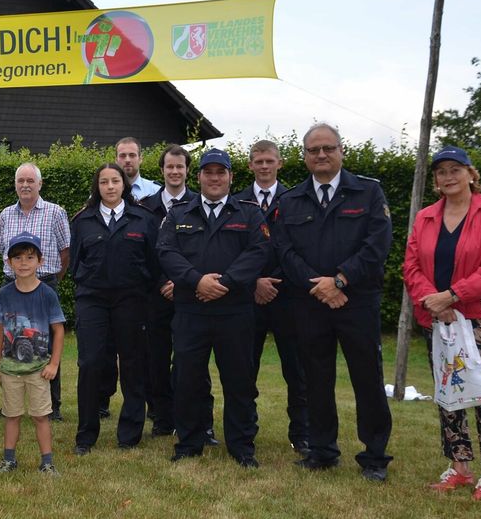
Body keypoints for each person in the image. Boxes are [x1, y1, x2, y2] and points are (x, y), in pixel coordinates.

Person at [272, 122, 393, 481]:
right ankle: (322, 450)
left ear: (342, 151)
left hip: (356, 301)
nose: (321, 155)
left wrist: (339, 280)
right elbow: (284, 249)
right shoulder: (291, 200)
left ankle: (374, 456)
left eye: (328, 148)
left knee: (367, 377)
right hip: (310, 303)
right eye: (314, 150)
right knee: (315, 378)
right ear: (305, 156)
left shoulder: (368, 193)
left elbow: (377, 246)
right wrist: (319, 285)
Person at [403, 146, 481, 500]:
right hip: (436, 317)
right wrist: (433, 302)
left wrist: (451, 296)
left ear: (471, 173)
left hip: (480, 315)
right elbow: (412, 266)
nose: (448, 176)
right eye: (441, 171)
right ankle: (459, 466)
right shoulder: (426, 217)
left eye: (455, 169)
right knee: (448, 391)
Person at [157, 148, 270, 466]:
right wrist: (196, 281)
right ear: (200, 177)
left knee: (239, 381)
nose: (215, 178)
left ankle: (241, 445)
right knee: (188, 379)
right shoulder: (179, 213)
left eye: (221, 172)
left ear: (231, 177)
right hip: (191, 311)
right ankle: (190, 441)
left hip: (234, 312)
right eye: (209, 172)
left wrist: (225, 283)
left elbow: (259, 251)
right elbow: (165, 252)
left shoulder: (248, 213)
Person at [70, 163, 158, 455]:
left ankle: (130, 434)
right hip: (93, 301)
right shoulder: (83, 221)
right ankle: (86, 434)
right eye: (104, 182)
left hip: (131, 302)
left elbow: (153, 263)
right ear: (97, 186)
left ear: (124, 185)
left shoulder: (143, 219)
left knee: (133, 364)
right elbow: (75, 266)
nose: (110, 186)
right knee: (91, 363)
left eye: (115, 181)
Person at [234, 140, 309, 457]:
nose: (263, 166)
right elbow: (234, 249)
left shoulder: (295, 200)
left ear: (280, 163)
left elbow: (298, 247)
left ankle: (302, 435)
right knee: (243, 370)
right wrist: (253, 281)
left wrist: (273, 280)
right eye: (257, 161)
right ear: (249, 165)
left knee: (296, 370)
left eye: (269, 161)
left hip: (287, 295)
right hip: (247, 297)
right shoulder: (237, 202)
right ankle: (244, 432)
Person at [140, 144, 216, 445]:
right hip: (157, 294)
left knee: (195, 363)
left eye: (180, 167)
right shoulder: (146, 207)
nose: (174, 171)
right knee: (156, 359)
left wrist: (184, 282)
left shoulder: (202, 204)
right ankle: (162, 418)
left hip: (192, 294)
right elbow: (145, 253)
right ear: (162, 171)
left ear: (188, 171)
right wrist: (163, 282)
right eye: (169, 167)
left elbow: (207, 252)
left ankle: (203, 421)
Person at [0, 163, 70, 421]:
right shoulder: (5, 214)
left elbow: (65, 251)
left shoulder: (55, 212)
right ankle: (9, 402)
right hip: (12, 286)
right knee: (10, 342)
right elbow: (1, 252)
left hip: (44, 284)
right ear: (15, 184)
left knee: (46, 343)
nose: (25, 185)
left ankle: (54, 406)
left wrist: (49, 281)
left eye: (30, 180)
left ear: (40, 184)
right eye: (20, 181)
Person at [0, 233, 65, 475]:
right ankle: (9, 460)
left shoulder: (47, 294)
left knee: (41, 416)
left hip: (38, 369)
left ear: (40, 261)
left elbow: (58, 329)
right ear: (9, 262)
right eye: (18, 257)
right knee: (11, 415)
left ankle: (47, 462)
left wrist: (54, 363)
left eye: (30, 257)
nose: (24, 262)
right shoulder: (4, 294)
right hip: (11, 369)